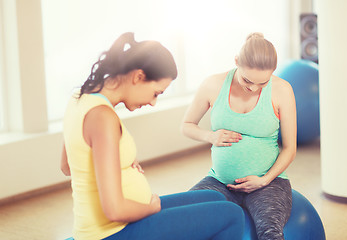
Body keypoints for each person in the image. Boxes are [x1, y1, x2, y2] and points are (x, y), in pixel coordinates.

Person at [60, 32, 245, 240]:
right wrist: (151, 208)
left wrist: (119, 162)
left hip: (117, 224)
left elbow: (68, 165)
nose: (153, 102)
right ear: (138, 77)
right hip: (111, 232)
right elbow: (114, 210)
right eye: (156, 93)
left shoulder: (80, 97)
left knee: (214, 196)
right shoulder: (102, 117)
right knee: (232, 215)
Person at [181, 32, 297, 240]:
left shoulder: (283, 90)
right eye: (247, 80)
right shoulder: (213, 85)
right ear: (236, 62)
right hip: (219, 181)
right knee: (185, 221)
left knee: (269, 232)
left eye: (262, 83)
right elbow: (187, 125)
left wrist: (264, 180)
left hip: (269, 183)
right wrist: (210, 136)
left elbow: (290, 148)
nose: (253, 88)